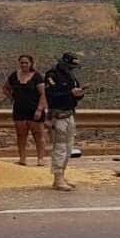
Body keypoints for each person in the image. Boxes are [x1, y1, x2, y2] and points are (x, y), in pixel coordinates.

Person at [45, 52, 85, 191]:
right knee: (60, 147)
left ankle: (62, 174)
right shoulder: (52, 75)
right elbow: (52, 94)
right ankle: (57, 177)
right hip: (58, 115)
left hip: (70, 113)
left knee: (69, 148)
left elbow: (74, 93)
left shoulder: (71, 75)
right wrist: (70, 93)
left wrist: (79, 94)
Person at [2, 54, 48, 167]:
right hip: (19, 109)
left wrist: (39, 109)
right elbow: (5, 88)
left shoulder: (37, 76)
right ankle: (22, 158)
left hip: (34, 109)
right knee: (21, 135)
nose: (23, 65)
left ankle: (40, 159)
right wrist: (11, 97)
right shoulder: (14, 75)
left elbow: (44, 94)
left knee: (38, 135)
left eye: (26, 62)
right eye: (22, 62)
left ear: (31, 63)